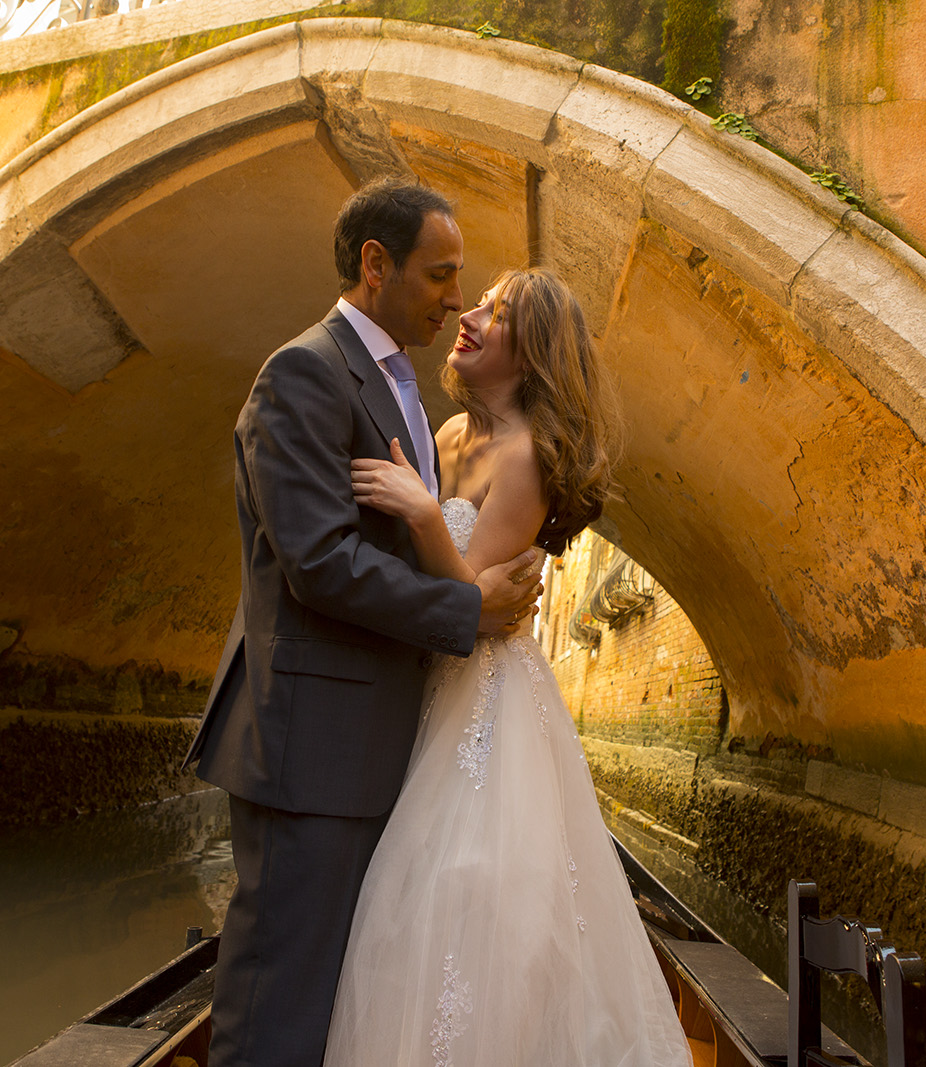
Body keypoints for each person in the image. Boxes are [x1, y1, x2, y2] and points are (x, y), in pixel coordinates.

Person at [181, 178, 546, 1067]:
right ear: (375, 266)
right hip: (311, 750)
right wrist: (470, 605)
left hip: (367, 749)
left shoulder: (402, 386)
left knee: (327, 1004)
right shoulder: (305, 371)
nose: (456, 297)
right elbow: (318, 564)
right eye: (440, 274)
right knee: (275, 1011)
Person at [325, 268, 694, 1066]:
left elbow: (469, 605)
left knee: (468, 883)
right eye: (480, 300)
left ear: (531, 356)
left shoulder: (525, 456)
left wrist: (423, 511)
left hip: (482, 691)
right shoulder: (440, 434)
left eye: (497, 312)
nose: (470, 314)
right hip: (417, 682)